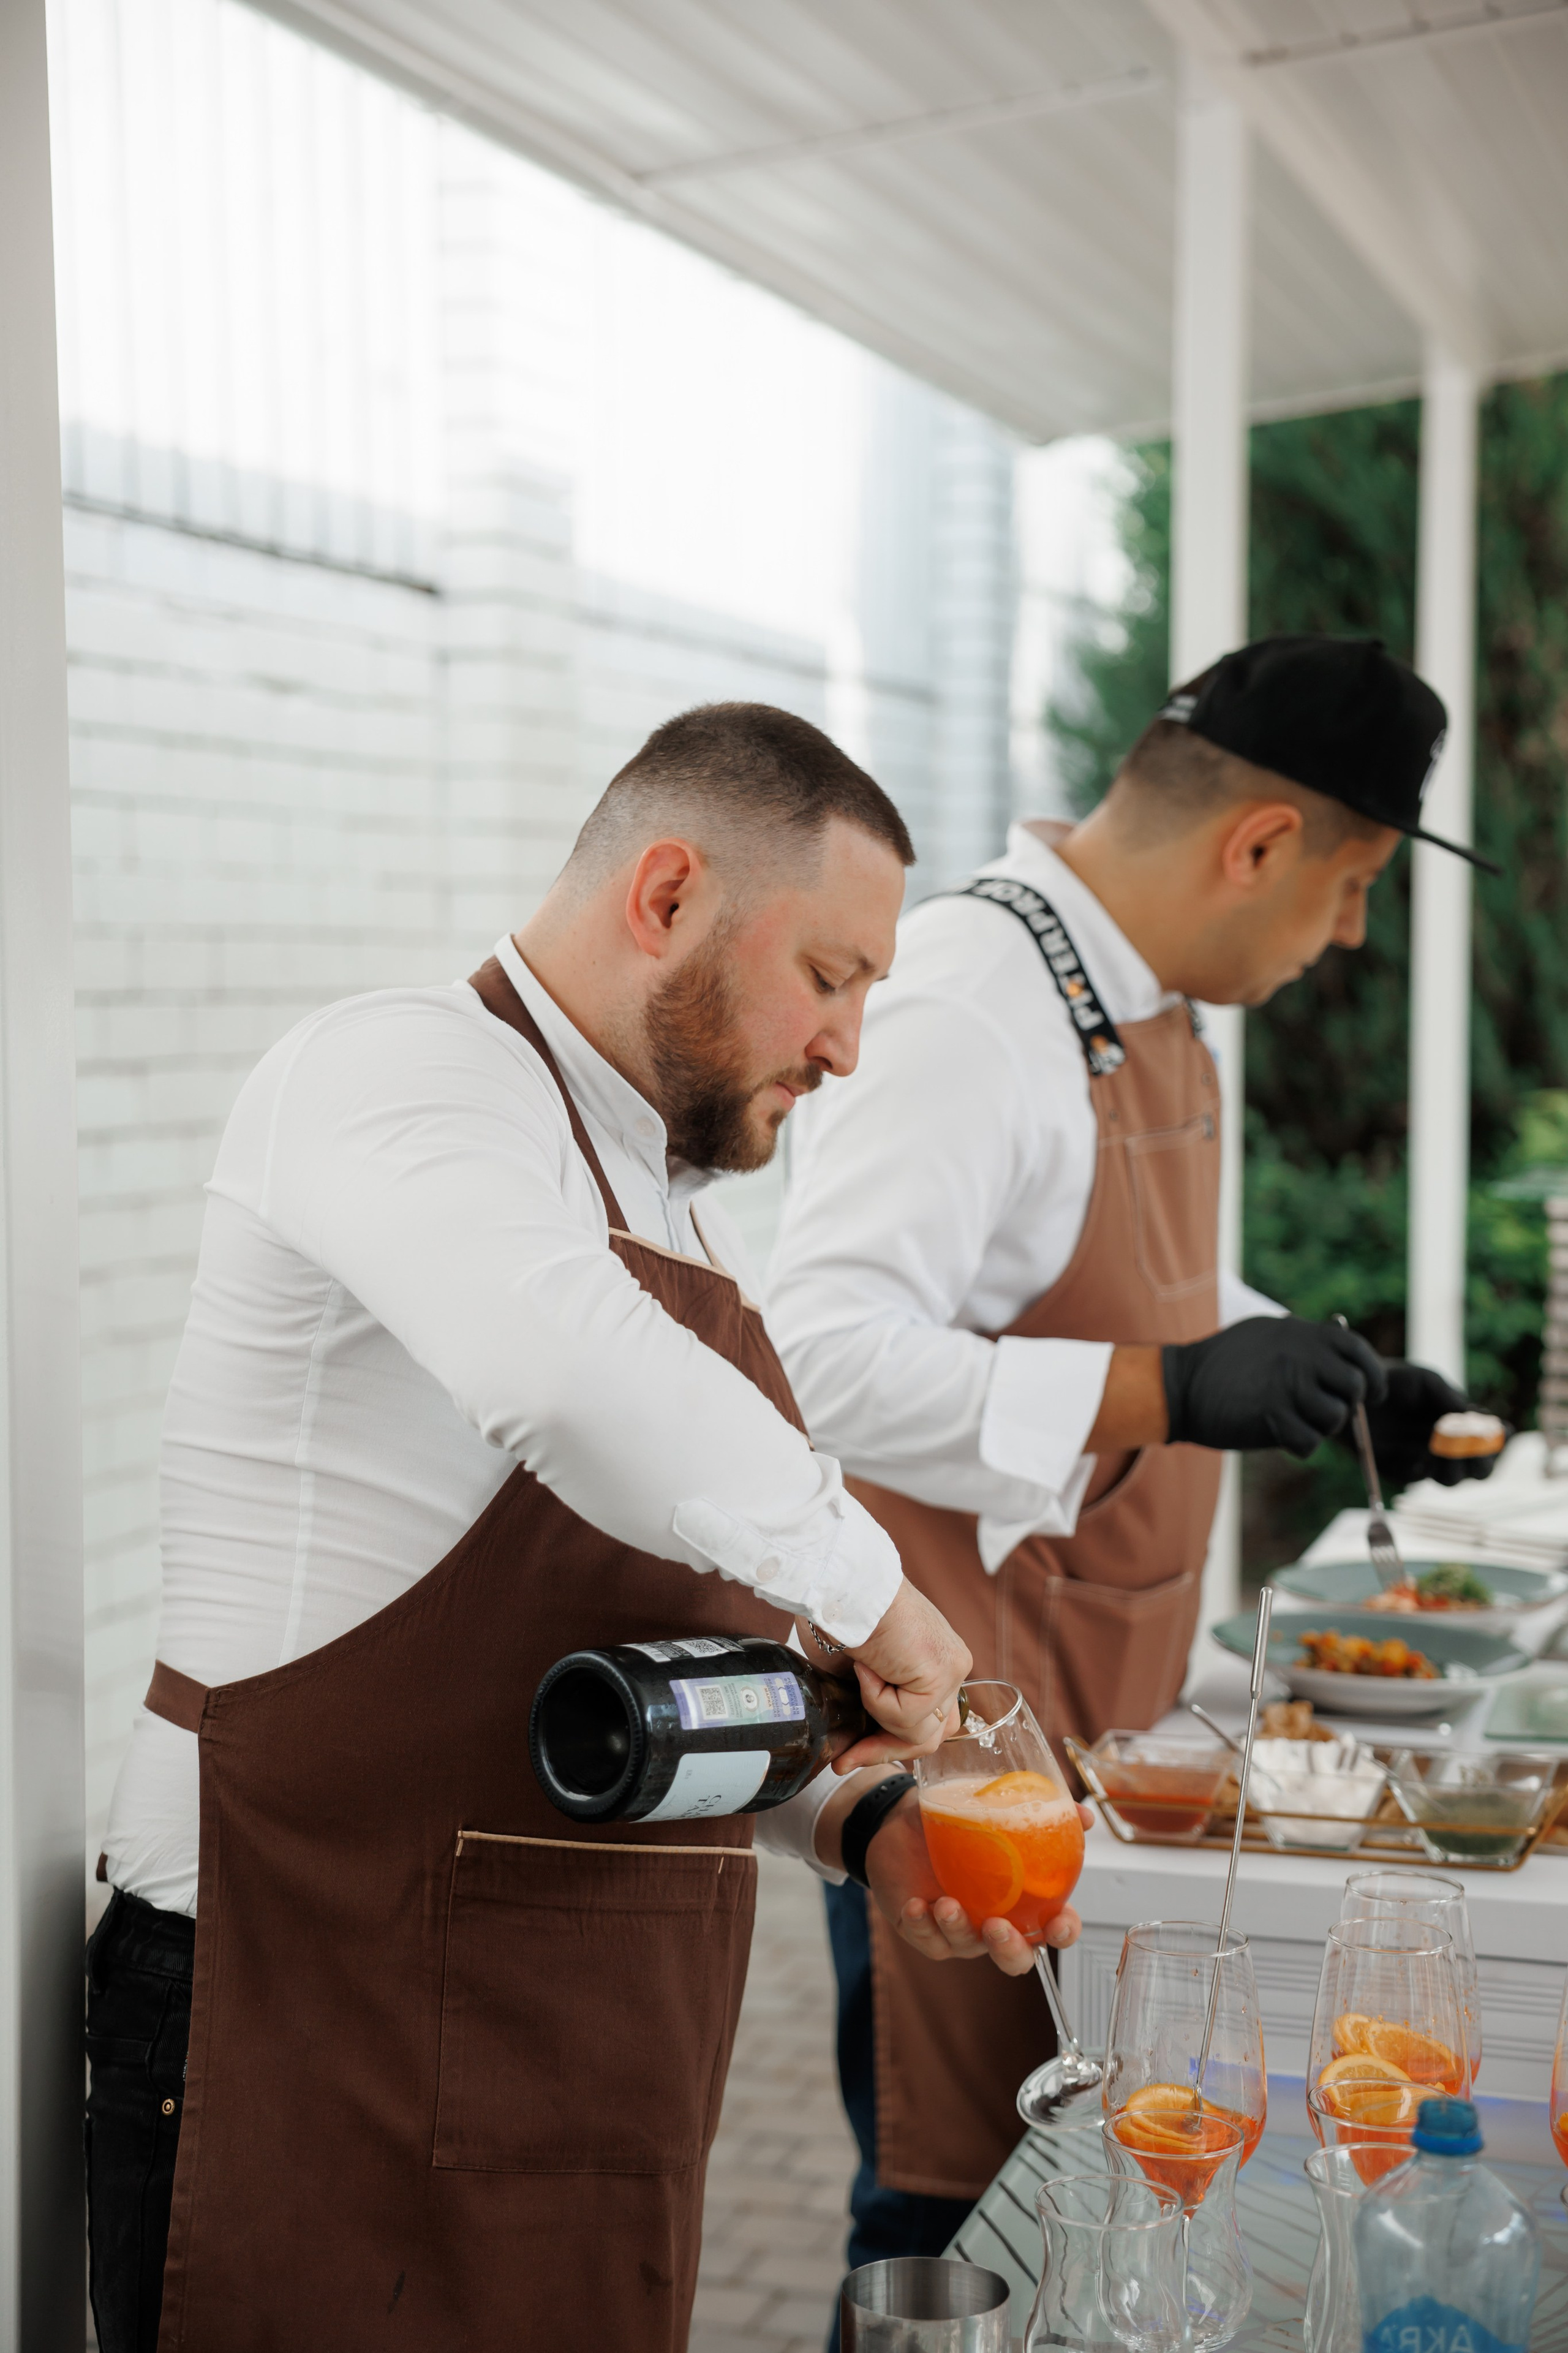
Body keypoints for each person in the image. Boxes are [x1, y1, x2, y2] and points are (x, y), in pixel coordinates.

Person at [85, 703, 1076, 2353]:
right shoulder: (396, 1072)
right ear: (668, 893)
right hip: (307, 1999)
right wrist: (881, 1600)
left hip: (568, 2056)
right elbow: (568, 1375)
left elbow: (640, 1688)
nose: (846, 1051)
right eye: (830, 977)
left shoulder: (664, 1217)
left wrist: (857, 1814)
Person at [767, 635, 1504, 2291]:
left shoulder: (1137, 1004)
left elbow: (1132, 1283)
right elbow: (815, 1352)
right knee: (957, 2219)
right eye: (1353, 886)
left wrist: (1312, 1367)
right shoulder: (970, 1000)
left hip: (1097, 1699)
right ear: (1261, 843)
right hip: (961, 1742)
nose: (1349, 934)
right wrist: (1169, 1385)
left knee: (1076, 2205)